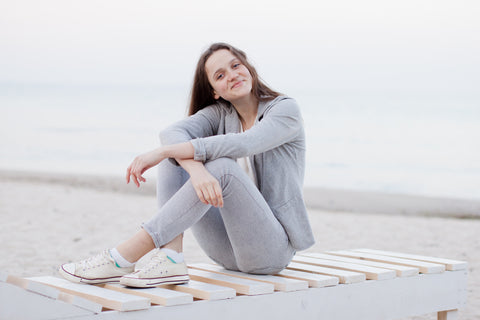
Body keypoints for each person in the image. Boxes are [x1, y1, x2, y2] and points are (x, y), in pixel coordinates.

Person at [59, 42, 315, 288]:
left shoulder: (284, 110)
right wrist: (193, 168)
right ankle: (171, 257)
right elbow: (172, 132)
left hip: (270, 251)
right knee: (177, 161)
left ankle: (122, 257)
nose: (232, 75)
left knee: (216, 166)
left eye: (236, 66)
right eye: (220, 75)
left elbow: (246, 143)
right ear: (215, 91)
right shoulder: (220, 114)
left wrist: (165, 152)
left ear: (248, 67)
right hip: (225, 251)